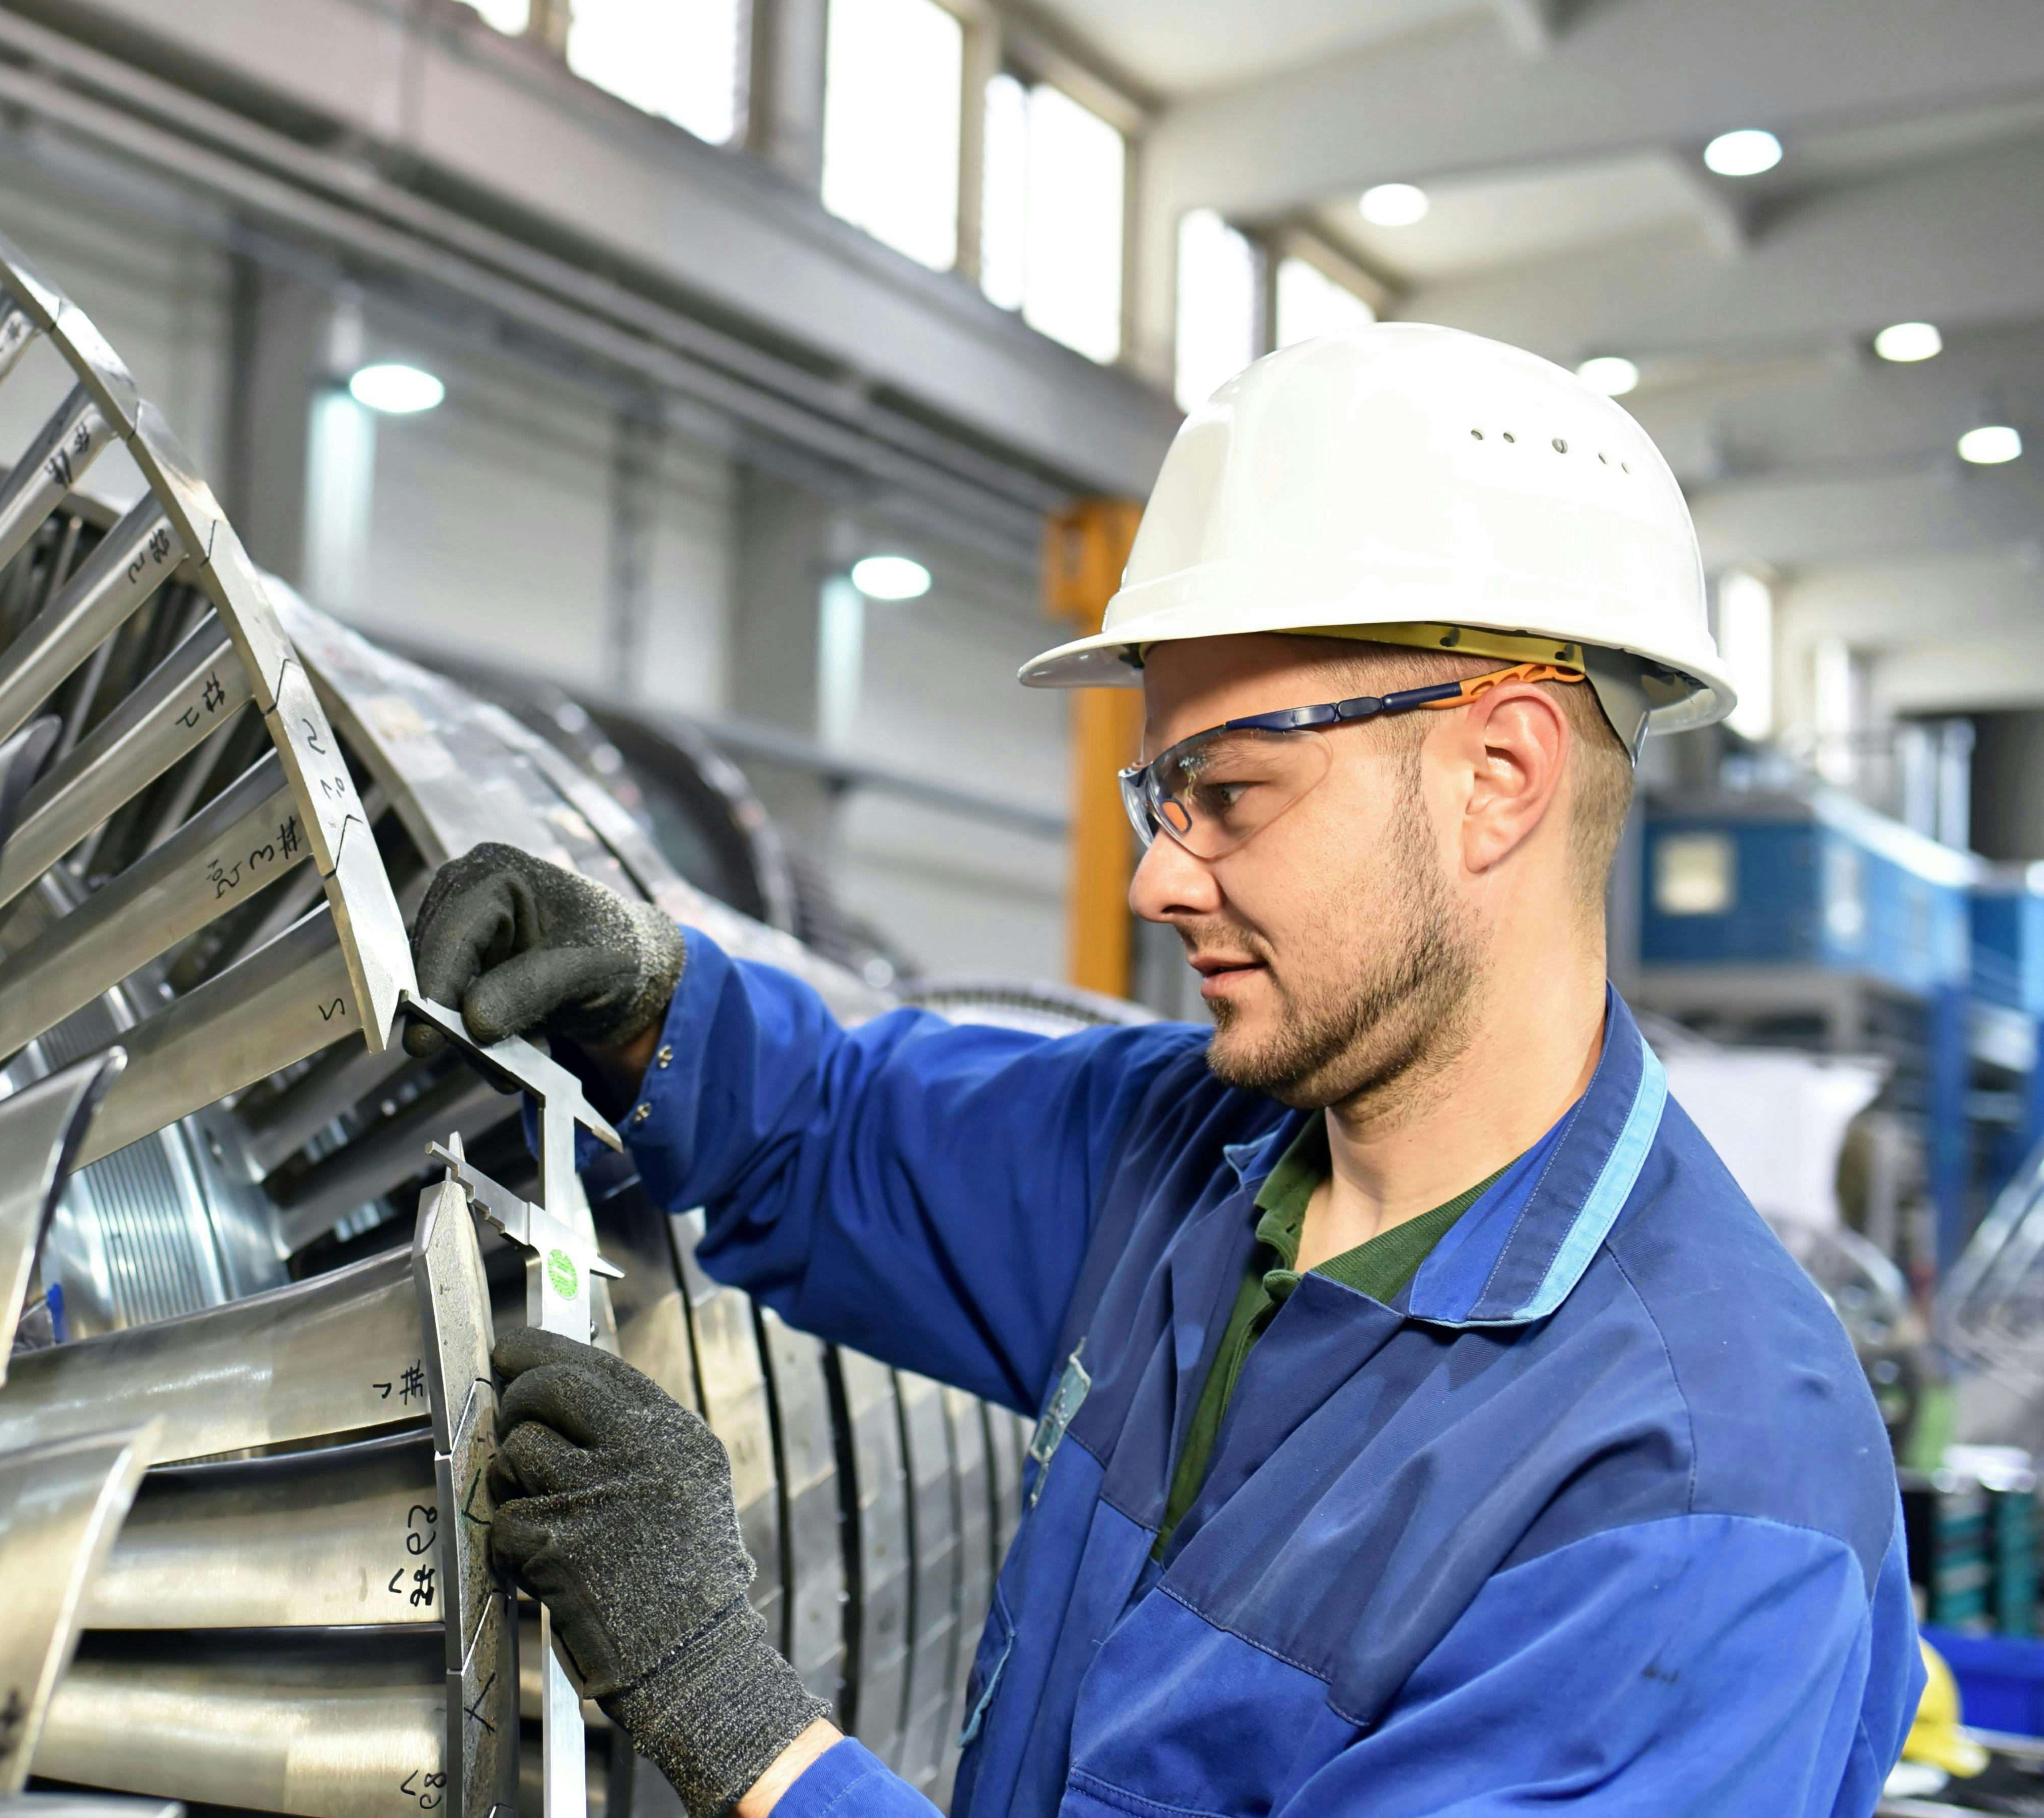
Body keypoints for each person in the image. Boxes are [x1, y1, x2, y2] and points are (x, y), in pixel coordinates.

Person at [423, 322, 1921, 1818]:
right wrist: (647, 1000)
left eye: (1229, 795)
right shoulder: (1198, 1154)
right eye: (1161, 796)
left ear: (1501, 776)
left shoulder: (1693, 1498)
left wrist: (736, 1719)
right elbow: (839, 1135)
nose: (1158, 883)